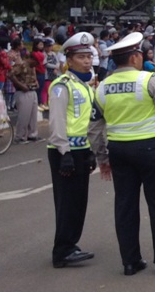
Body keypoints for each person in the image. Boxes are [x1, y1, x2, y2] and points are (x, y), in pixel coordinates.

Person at [93, 32, 155, 276]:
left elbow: (94, 128)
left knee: (125, 205)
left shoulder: (102, 87)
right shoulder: (149, 81)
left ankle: (131, 262)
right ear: (134, 58)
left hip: (118, 151)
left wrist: (102, 159)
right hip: (150, 149)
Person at [46, 32, 100, 268]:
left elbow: (86, 122)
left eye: (89, 56)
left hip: (80, 150)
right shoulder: (61, 86)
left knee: (79, 201)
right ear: (69, 59)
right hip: (64, 152)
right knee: (67, 201)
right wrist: (64, 152)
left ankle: (71, 244)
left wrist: (89, 150)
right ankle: (62, 250)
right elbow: (57, 121)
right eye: (81, 56)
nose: (87, 61)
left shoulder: (86, 87)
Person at [10, 50, 40, 143]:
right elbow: (10, 74)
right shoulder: (21, 65)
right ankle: (20, 136)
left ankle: (32, 134)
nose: (37, 64)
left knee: (33, 115)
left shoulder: (32, 67)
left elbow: (33, 76)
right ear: (32, 59)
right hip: (23, 92)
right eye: (36, 62)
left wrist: (36, 82)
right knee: (24, 116)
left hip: (32, 90)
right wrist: (20, 85)